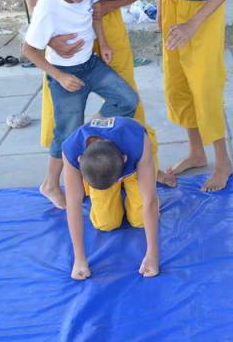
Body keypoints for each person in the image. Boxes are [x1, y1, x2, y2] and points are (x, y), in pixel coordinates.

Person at [23, 0, 176, 192]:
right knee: (65, 117)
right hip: (65, 36)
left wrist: (110, 7)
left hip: (102, 22)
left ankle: (139, 162)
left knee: (128, 96)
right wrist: (49, 37)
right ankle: (62, 177)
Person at [22, 0, 139, 209]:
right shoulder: (46, 10)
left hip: (91, 64)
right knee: (66, 134)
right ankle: (50, 184)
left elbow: (96, 10)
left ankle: (93, 128)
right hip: (66, 76)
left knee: (127, 99)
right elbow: (29, 50)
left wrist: (104, 42)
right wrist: (60, 76)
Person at [151, 0, 233, 191]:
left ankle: (223, 162)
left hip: (202, 13)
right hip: (171, 4)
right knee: (178, 85)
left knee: (204, 86)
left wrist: (192, 24)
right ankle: (196, 152)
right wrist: (161, 6)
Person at [62, 117, 160, 280]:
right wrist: (79, 259)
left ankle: (134, 182)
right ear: (80, 161)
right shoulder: (71, 149)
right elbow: (73, 204)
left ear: (124, 159)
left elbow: (149, 201)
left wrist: (153, 255)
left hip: (135, 167)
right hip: (106, 167)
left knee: (140, 219)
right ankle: (108, 191)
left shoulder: (138, 141)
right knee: (106, 223)